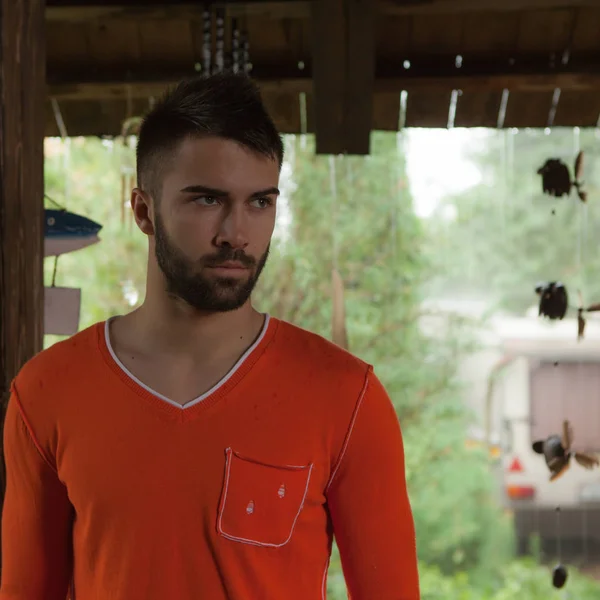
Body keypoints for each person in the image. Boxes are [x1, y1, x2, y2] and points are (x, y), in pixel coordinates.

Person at [0, 73, 420, 600]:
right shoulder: (47, 390)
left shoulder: (348, 397)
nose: (236, 233)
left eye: (260, 203)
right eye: (206, 200)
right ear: (143, 211)